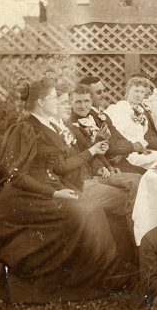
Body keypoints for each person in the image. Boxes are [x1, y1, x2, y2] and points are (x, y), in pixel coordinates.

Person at [0, 78, 136, 304]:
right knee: (86, 211)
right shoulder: (25, 128)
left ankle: (105, 272)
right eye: (54, 100)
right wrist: (54, 194)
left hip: (51, 185)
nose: (59, 103)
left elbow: (58, 167)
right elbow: (16, 175)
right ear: (40, 102)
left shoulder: (49, 125)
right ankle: (89, 276)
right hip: (25, 195)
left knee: (91, 209)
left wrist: (92, 150)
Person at [53, 82, 141, 263]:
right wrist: (99, 162)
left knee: (137, 181)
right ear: (69, 104)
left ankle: (136, 249)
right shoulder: (66, 127)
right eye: (77, 102)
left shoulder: (84, 121)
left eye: (86, 101)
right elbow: (79, 157)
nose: (83, 106)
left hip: (94, 172)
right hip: (81, 181)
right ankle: (134, 251)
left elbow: (88, 153)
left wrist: (106, 165)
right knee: (132, 197)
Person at [78, 75, 146, 174]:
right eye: (98, 92)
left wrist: (122, 153)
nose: (104, 95)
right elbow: (108, 147)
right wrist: (133, 147)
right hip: (109, 167)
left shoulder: (103, 115)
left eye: (103, 91)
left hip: (120, 161)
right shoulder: (87, 119)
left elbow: (119, 138)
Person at [105, 76, 157, 165]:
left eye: (142, 92)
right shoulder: (119, 108)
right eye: (136, 91)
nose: (138, 95)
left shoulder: (139, 110)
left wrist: (143, 149)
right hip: (127, 153)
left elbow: (142, 136)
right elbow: (116, 135)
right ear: (128, 91)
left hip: (141, 150)